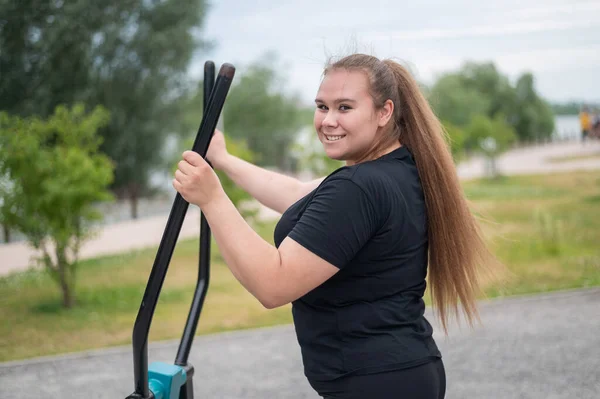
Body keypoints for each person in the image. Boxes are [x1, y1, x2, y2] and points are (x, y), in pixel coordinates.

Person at [173, 53, 498, 399]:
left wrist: (211, 199)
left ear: (384, 112)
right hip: (400, 374)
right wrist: (223, 160)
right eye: (321, 106)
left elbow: (273, 284)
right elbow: (297, 195)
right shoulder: (394, 169)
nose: (328, 121)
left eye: (344, 107)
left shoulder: (359, 187)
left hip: (377, 382)